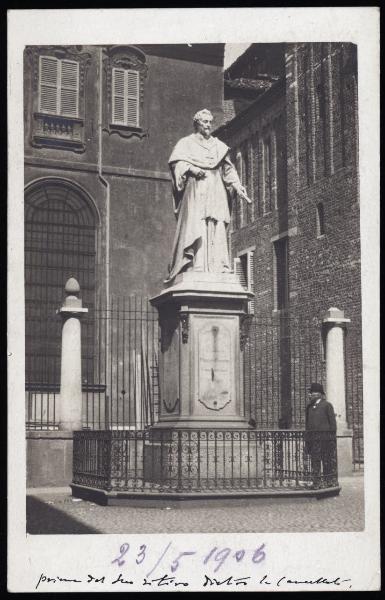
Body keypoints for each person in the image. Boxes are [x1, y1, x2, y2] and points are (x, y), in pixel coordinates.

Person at [165, 109, 251, 283]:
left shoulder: (218, 145)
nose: (208, 125)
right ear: (197, 123)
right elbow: (177, 164)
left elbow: (228, 169)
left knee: (218, 224)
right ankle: (198, 264)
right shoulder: (186, 143)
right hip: (197, 189)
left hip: (216, 188)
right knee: (199, 224)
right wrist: (191, 168)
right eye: (205, 122)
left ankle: (220, 265)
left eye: (210, 122)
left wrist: (237, 185)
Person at [305, 382, 337, 489]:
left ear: (318, 394)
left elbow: (332, 424)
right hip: (313, 440)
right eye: (310, 393)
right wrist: (307, 440)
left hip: (325, 440)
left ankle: (329, 481)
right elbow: (307, 425)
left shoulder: (327, 405)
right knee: (315, 461)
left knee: (327, 461)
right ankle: (316, 482)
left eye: (312, 393)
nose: (309, 395)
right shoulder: (309, 407)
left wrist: (331, 439)